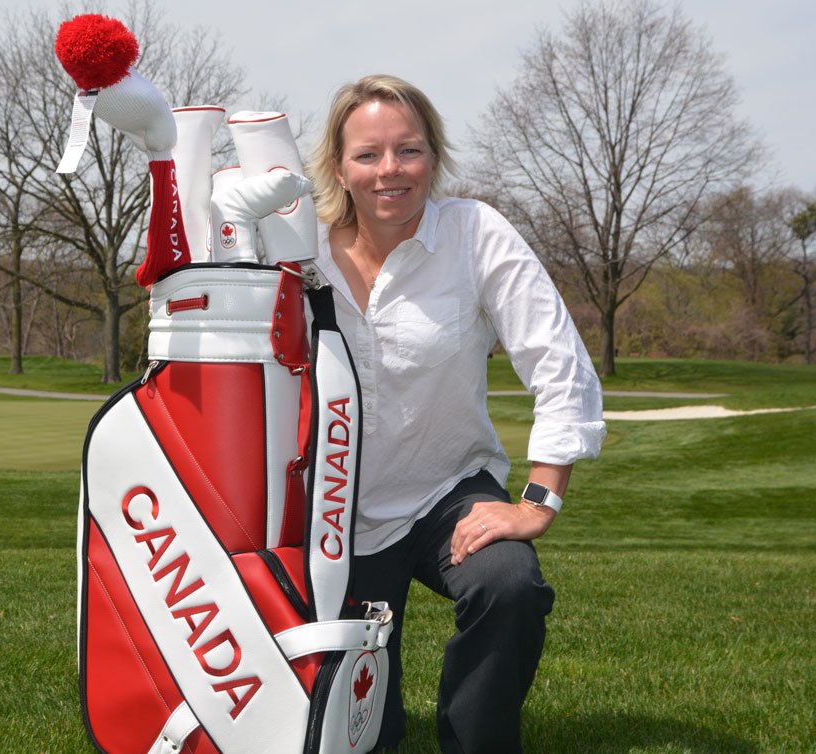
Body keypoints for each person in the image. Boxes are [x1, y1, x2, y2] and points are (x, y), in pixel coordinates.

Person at [306, 74, 607, 752]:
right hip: (330, 513)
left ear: (433, 158)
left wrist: (538, 503)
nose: (390, 170)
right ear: (338, 168)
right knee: (362, 740)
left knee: (509, 585)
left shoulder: (475, 233)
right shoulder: (297, 252)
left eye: (408, 150)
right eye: (368, 154)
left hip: (450, 495)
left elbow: (562, 366)